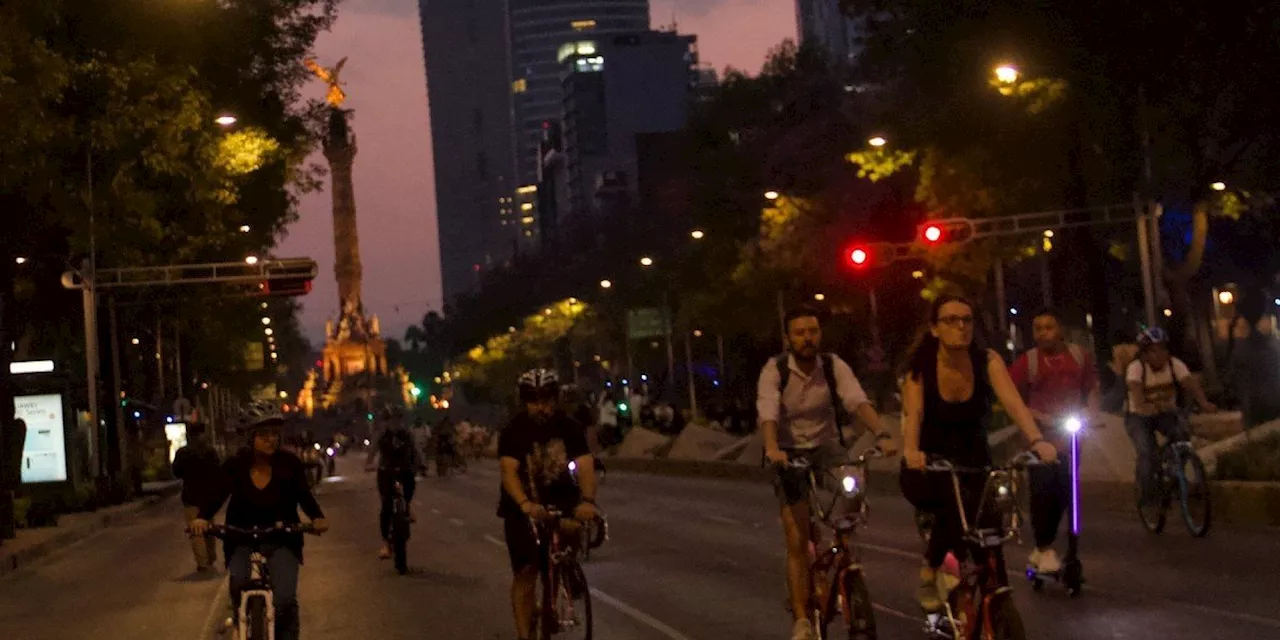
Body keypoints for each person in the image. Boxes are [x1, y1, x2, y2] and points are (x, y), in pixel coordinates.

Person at [899, 296, 1057, 612]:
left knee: (992, 529)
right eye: (951, 320)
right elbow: (913, 416)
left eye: (967, 320)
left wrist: (1038, 440)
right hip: (931, 464)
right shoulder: (922, 369)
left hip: (975, 461)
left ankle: (996, 603)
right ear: (934, 329)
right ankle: (929, 570)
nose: (961, 326)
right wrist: (912, 452)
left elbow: (1015, 405)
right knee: (952, 506)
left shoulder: (987, 361)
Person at [756, 306, 897, 640]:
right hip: (788, 453)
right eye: (800, 333)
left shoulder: (833, 366)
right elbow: (768, 411)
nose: (808, 338)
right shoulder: (775, 370)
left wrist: (883, 433)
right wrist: (773, 449)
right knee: (797, 537)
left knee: (853, 487)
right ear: (788, 338)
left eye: (813, 331)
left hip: (826, 447)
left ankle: (842, 546)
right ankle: (802, 620)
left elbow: (856, 401)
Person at [190, 416, 329, 640]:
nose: (271, 439)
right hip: (241, 536)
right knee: (237, 584)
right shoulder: (235, 465)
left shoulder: (289, 464)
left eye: (275, 434)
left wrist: (317, 518)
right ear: (250, 437)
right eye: (264, 434)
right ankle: (239, 621)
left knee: (284, 599)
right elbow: (217, 494)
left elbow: (304, 495)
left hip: (282, 537)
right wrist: (202, 518)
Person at [498, 369, 598, 640]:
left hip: (562, 500)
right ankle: (524, 634)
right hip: (523, 507)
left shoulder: (569, 427)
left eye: (546, 399)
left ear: (556, 399)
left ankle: (562, 579)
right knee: (526, 573)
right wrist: (525, 504)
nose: (541, 406)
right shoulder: (513, 431)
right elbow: (509, 471)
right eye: (533, 400)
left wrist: (588, 501)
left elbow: (586, 464)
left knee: (571, 535)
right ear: (524, 401)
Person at [1008, 309, 1100, 574]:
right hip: (1040, 439)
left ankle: (1069, 549)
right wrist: (1036, 418)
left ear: (1060, 329)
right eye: (1038, 328)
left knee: (1066, 492)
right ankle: (1044, 546)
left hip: (1071, 436)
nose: (1043, 333)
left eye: (1049, 327)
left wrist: (1092, 414)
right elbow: (1013, 397)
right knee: (1043, 492)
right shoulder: (1029, 362)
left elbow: (1092, 387)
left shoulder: (1079, 357)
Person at [1126, 327, 1217, 506]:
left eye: (1163, 348)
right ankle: (1148, 493)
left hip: (1165, 413)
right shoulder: (1136, 368)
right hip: (1139, 417)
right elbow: (1136, 394)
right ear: (1144, 353)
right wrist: (1145, 406)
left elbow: (1191, 384)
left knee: (1182, 436)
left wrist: (1204, 403)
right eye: (1154, 350)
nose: (1160, 354)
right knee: (1146, 452)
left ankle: (1175, 472)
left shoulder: (1174, 364)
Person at [366, 418, 426, 559]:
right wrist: (369, 463)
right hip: (386, 470)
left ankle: (407, 507)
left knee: (408, 492)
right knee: (386, 505)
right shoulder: (382, 435)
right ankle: (386, 543)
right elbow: (373, 450)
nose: (393, 424)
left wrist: (422, 464)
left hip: (405, 470)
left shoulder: (407, 435)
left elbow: (416, 450)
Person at [172, 424, 222, 572]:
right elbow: (218, 471)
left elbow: (176, 472)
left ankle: (203, 562)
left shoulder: (183, 452)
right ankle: (211, 558)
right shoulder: (210, 451)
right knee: (208, 529)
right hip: (208, 497)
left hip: (191, 497)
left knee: (196, 531)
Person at [1227, 296, 1280, 431]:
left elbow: (1233, 380)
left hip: (1253, 412)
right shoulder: (1273, 347)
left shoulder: (1240, 350)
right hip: (1272, 409)